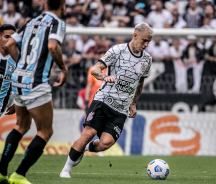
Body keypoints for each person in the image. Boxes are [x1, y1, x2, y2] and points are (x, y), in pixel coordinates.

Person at [60, 22, 154, 178]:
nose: (146, 44)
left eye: (148, 42)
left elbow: (140, 83)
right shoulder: (117, 50)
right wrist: (104, 76)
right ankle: (66, 169)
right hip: (103, 101)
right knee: (88, 134)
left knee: (105, 143)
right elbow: (95, 69)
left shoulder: (147, 60)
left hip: (121, 109)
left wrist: (133, 103)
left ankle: (84, 149)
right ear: (135, 35)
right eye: (144, 40)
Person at [0, 0, 67, 184]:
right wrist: (63, 69)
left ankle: (0, 172)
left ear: (44, 3)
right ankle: (19, 175)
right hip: (36, 82)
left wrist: (22, 66)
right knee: (45, 132)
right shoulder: (57, 23)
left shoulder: (31, 21)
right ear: (63, 4)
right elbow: (52, 46)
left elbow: (9, 45)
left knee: (21, 126)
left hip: (18, 79)